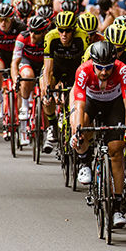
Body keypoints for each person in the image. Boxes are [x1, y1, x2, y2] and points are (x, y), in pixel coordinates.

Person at [70, 41, 126, 229]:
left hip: (113, 105)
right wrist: (77, 130)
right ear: (93, 63)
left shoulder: (122, 69)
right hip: (91, 102)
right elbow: (79, 105)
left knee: (117, 151)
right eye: (99, 68)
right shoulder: (83, 70)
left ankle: (116, 206)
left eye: (108, 68)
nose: (104, 72)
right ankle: (84, 159)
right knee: (81, 128)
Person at [40, 11, 89, 153]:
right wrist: (48, 89)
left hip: (76, 68)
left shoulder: (82, 37)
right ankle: (52, 125)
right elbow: (48, 68)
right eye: (61, 30)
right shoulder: (51, 37)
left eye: (68, 31)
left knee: (75, 96)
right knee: (45, 92)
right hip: (57, 67)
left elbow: (84, 66)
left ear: (74, 30)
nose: (64, 34)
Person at [0, 3, 26, 119]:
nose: (3, 23)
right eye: (0, 19)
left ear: (12, 18)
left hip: (16, 54)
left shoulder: (20, 27)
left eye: (6, 20)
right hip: (0, 53)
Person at [11, 15, 49, 145]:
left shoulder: (49, 39)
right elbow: (14, 62)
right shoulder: (22, 37)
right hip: (27, 62)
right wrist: (16, 77)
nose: (32, 34)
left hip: (44, 63)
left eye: (37, 32)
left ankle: (47, 130)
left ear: (44, 32)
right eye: (31, 30)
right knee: (27, 76)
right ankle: (25, 107)